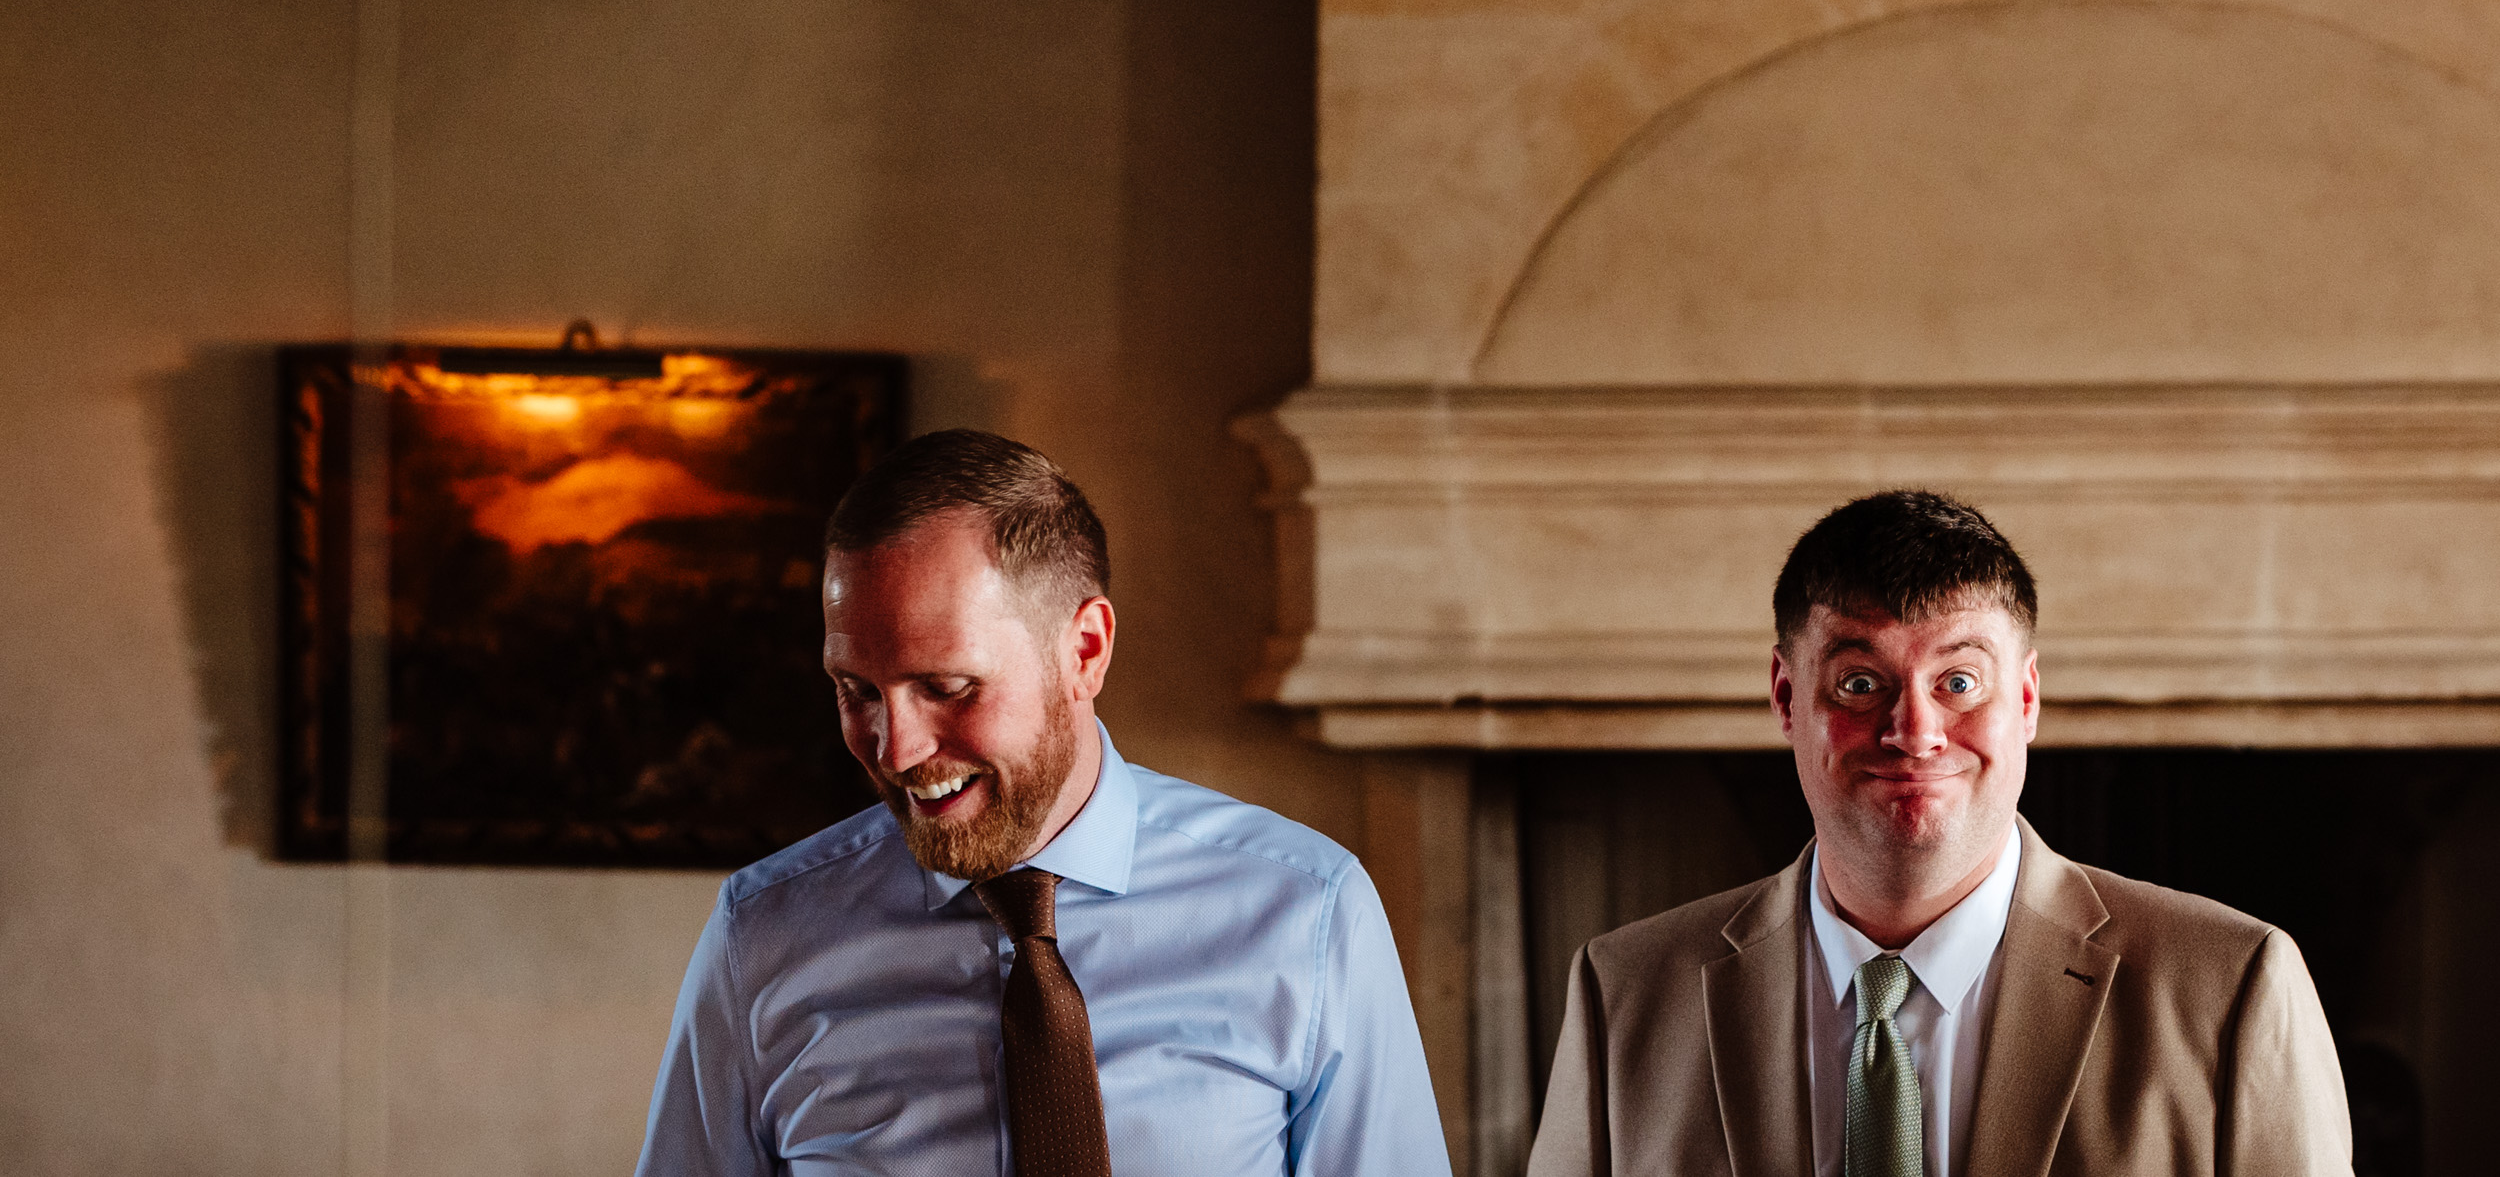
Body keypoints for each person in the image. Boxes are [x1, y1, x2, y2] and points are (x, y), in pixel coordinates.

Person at [636, 428, 1450, 1177]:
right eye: (856, 690)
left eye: (947, 687)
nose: (896, 748)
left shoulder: (1305, 912)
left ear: (1085, 651)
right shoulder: (763, 939)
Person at [1527, 490, 2351, 1177]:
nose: (1913, 729)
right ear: (1785, 696)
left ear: (2026, 699)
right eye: (1858, 682)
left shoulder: (2230, 989)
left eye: (1959, 680)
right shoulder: (1624, 994)